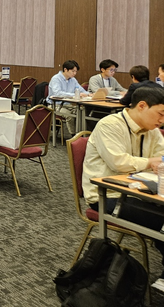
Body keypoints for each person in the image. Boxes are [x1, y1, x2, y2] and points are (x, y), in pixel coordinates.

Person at [82, 87, 164, 292]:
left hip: (141, 193)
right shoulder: (109, 125)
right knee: (162, 220)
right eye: (161, 114)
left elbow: (161, 159)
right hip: (107, 196)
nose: (162, 120)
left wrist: (155, 163)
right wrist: (150, 162)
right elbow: (119, 163)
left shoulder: (152, 131)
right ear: (142, 106)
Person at [47, 59, 88, 138]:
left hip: (68, 104)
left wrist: (89, 94)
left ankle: (83, 135)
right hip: (55, 105)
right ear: (65, 69)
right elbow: (57, 93)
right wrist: (75, 95)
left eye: (76, 71)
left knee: (83, 112)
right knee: (70, 115)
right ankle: (74, 136)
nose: (74, 73)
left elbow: (81, 90)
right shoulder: (56, 79)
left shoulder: (73, 80)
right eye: (73, 71)